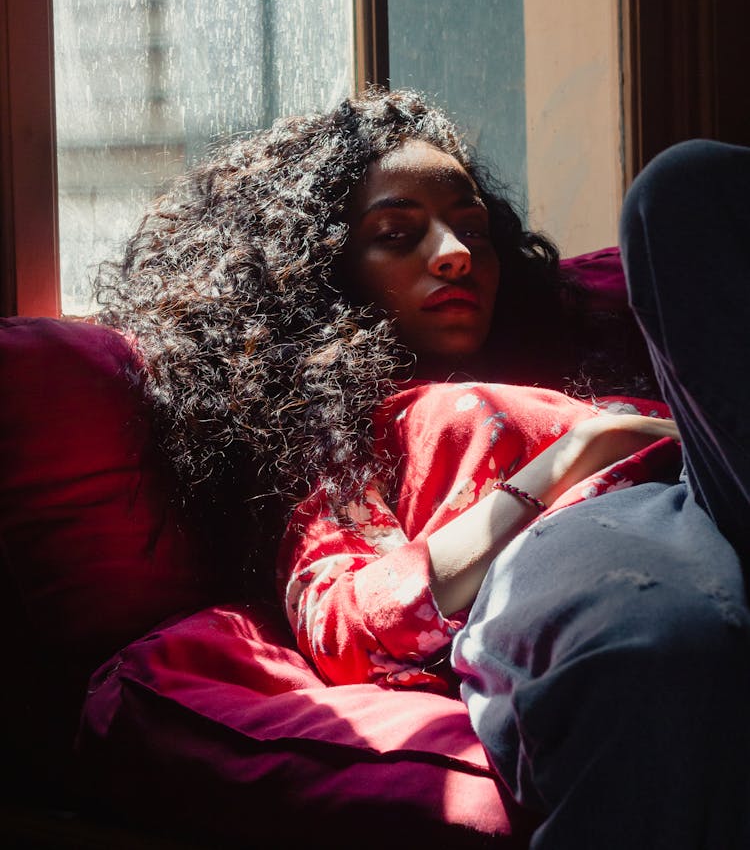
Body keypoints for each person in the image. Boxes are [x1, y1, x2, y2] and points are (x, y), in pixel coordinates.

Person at [97, 89, 750, 848]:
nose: (456, 252)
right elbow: (350, 623)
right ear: (327, 271)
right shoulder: (345, 438)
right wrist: (569, 459)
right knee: (665, 645)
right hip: (590, 545)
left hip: (711, 476)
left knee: (687, 191)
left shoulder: (580, 360)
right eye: (398, 233)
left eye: (472, 228)